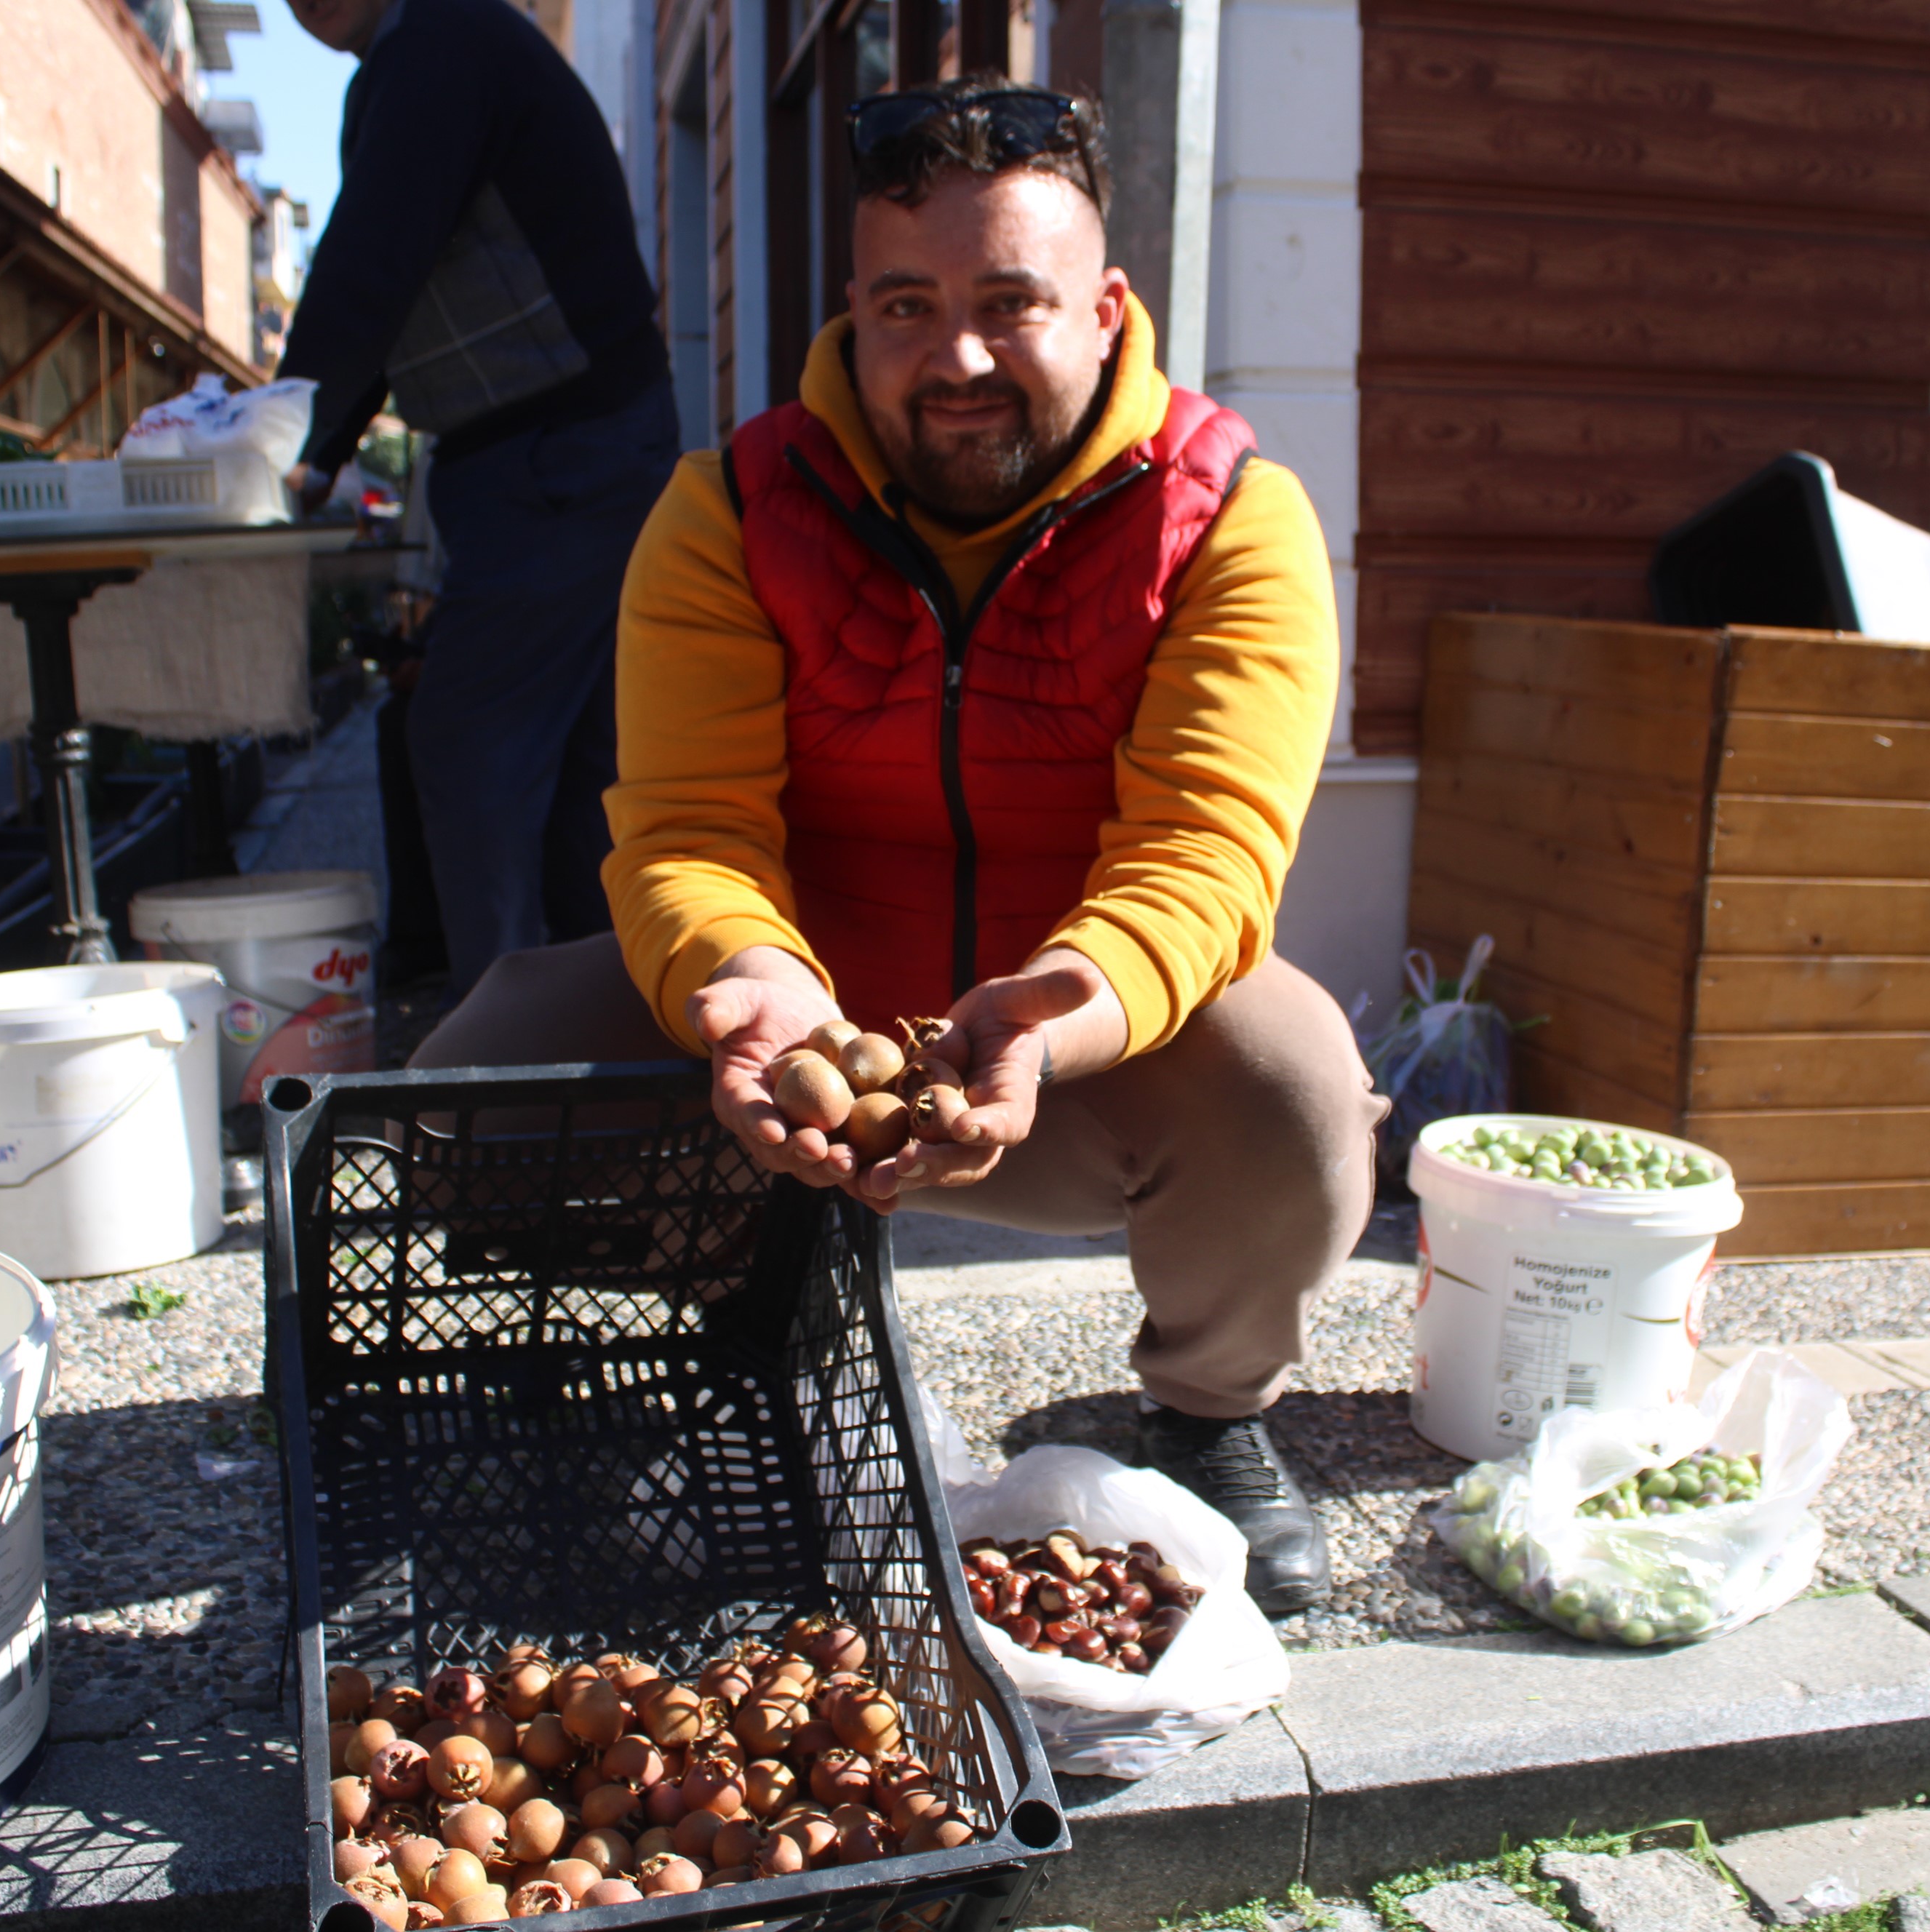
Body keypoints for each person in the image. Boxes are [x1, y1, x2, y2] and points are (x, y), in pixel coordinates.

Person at [415, 79, 1383, 1614]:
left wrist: (1045, 1015)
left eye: (1013, 302)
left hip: (1069, 1058)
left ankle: (1210, 1414)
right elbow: (687, 829)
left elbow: (1206, 853)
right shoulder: (725, 510)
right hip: (796, 1043)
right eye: (907, 307)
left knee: (1296, 1075)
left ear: (1109, 305)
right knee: (479, 1068)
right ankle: (726, 1334)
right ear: (853, 311)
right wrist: (752, 990)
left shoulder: (1233, 521)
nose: (960, 361)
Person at [276, 0, 679, 995]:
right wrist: (308, 436)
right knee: (583, 774)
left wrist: (294, 437)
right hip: (576, 446)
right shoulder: (446, 48)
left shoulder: (441, 44)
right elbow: (389, 270)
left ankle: (501, 1063)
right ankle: (603, 1051)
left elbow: (372, 259)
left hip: (558, 453)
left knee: (465, 743)